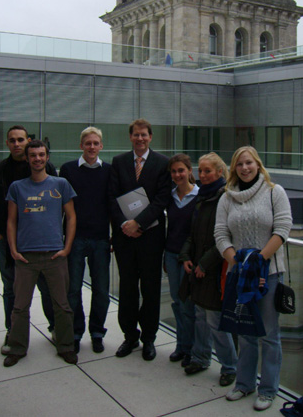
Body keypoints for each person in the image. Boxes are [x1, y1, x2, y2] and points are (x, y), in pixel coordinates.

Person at [214, 146, 292, 411]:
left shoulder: (274, 192)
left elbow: (283, 227)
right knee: (245, 331)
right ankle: (244, 384)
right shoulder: (226, 197)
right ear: (233, 169)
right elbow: (221, 234)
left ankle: (268, 390)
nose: (244, 168)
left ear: (257, 164)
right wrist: (238, 262)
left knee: (269, 334)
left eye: (249, 163)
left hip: (268, 274)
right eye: (239, 165)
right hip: (240, 274)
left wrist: (258, 262)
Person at [0, 125, 56, 354]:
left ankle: (55, 327)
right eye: (12, 140)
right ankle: (12, 332)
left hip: (39, 241)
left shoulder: (44, 166)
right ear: (7, 143)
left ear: (28, 140)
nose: (17, 144)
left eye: (21, 139)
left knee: (46, 286)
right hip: (9, 241)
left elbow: (56, 201)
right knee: (11, 288)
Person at [3, 140, 77, 367]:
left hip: (55, 255)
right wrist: (13, 249)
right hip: (26, 257)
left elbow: (72, 217)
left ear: (47, 157)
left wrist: (67, 247)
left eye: (41, 154)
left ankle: (65, 346)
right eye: (33, 155)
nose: (37, 159)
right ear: (27, 158)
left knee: (62, 305)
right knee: (20, 306)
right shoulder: (17, 187)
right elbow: (11, 221)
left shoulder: (61, 184)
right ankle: (17, 348)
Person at [109, 118, 171, 361]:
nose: (140, 138)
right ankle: (129, 336)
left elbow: (162, 199)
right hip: (125, 238)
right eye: (136, 135)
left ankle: (149, 338)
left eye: (144, 134)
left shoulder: (162, 163)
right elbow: (111, 197)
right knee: (127, 288)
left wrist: (139, 223)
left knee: (150, 289)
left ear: (150, 137)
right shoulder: (119, 162)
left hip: (151, 238)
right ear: (130, 137)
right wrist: (126, 225)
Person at [179, 152, 237, 387]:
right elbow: (193, 234)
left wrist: (204, 263)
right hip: (198, 269)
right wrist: (185, 256)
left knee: (215, 320)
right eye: (200, 170)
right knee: (201, 317)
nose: (201, 175)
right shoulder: (203, 198)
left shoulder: (226, 198)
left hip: (216, 270)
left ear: (220, 172)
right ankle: (201, 357)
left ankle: (230, 366)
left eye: (207, 171)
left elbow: (225, 238)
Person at [59, 127, 111, 354]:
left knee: (101, 289)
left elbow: (115, 204)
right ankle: (76, 331)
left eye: (95, 143)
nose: (91, 147)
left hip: (101, 239)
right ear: (81, 145)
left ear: (101, 146)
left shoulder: (109, 171)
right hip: (75, 238)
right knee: (73, 289)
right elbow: (61, 206)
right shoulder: (68, 170)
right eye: (87, 143)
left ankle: (97, 332)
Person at [164, 154, 198, 367]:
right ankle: (181, 345)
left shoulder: (200, 196)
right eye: (174, 171)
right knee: (177, 302)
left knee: (189, 305)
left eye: (181, 170)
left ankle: (192, 349)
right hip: (171, 254)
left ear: (189, 171)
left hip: (189, 259)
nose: (177, 175)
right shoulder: (170, 196)